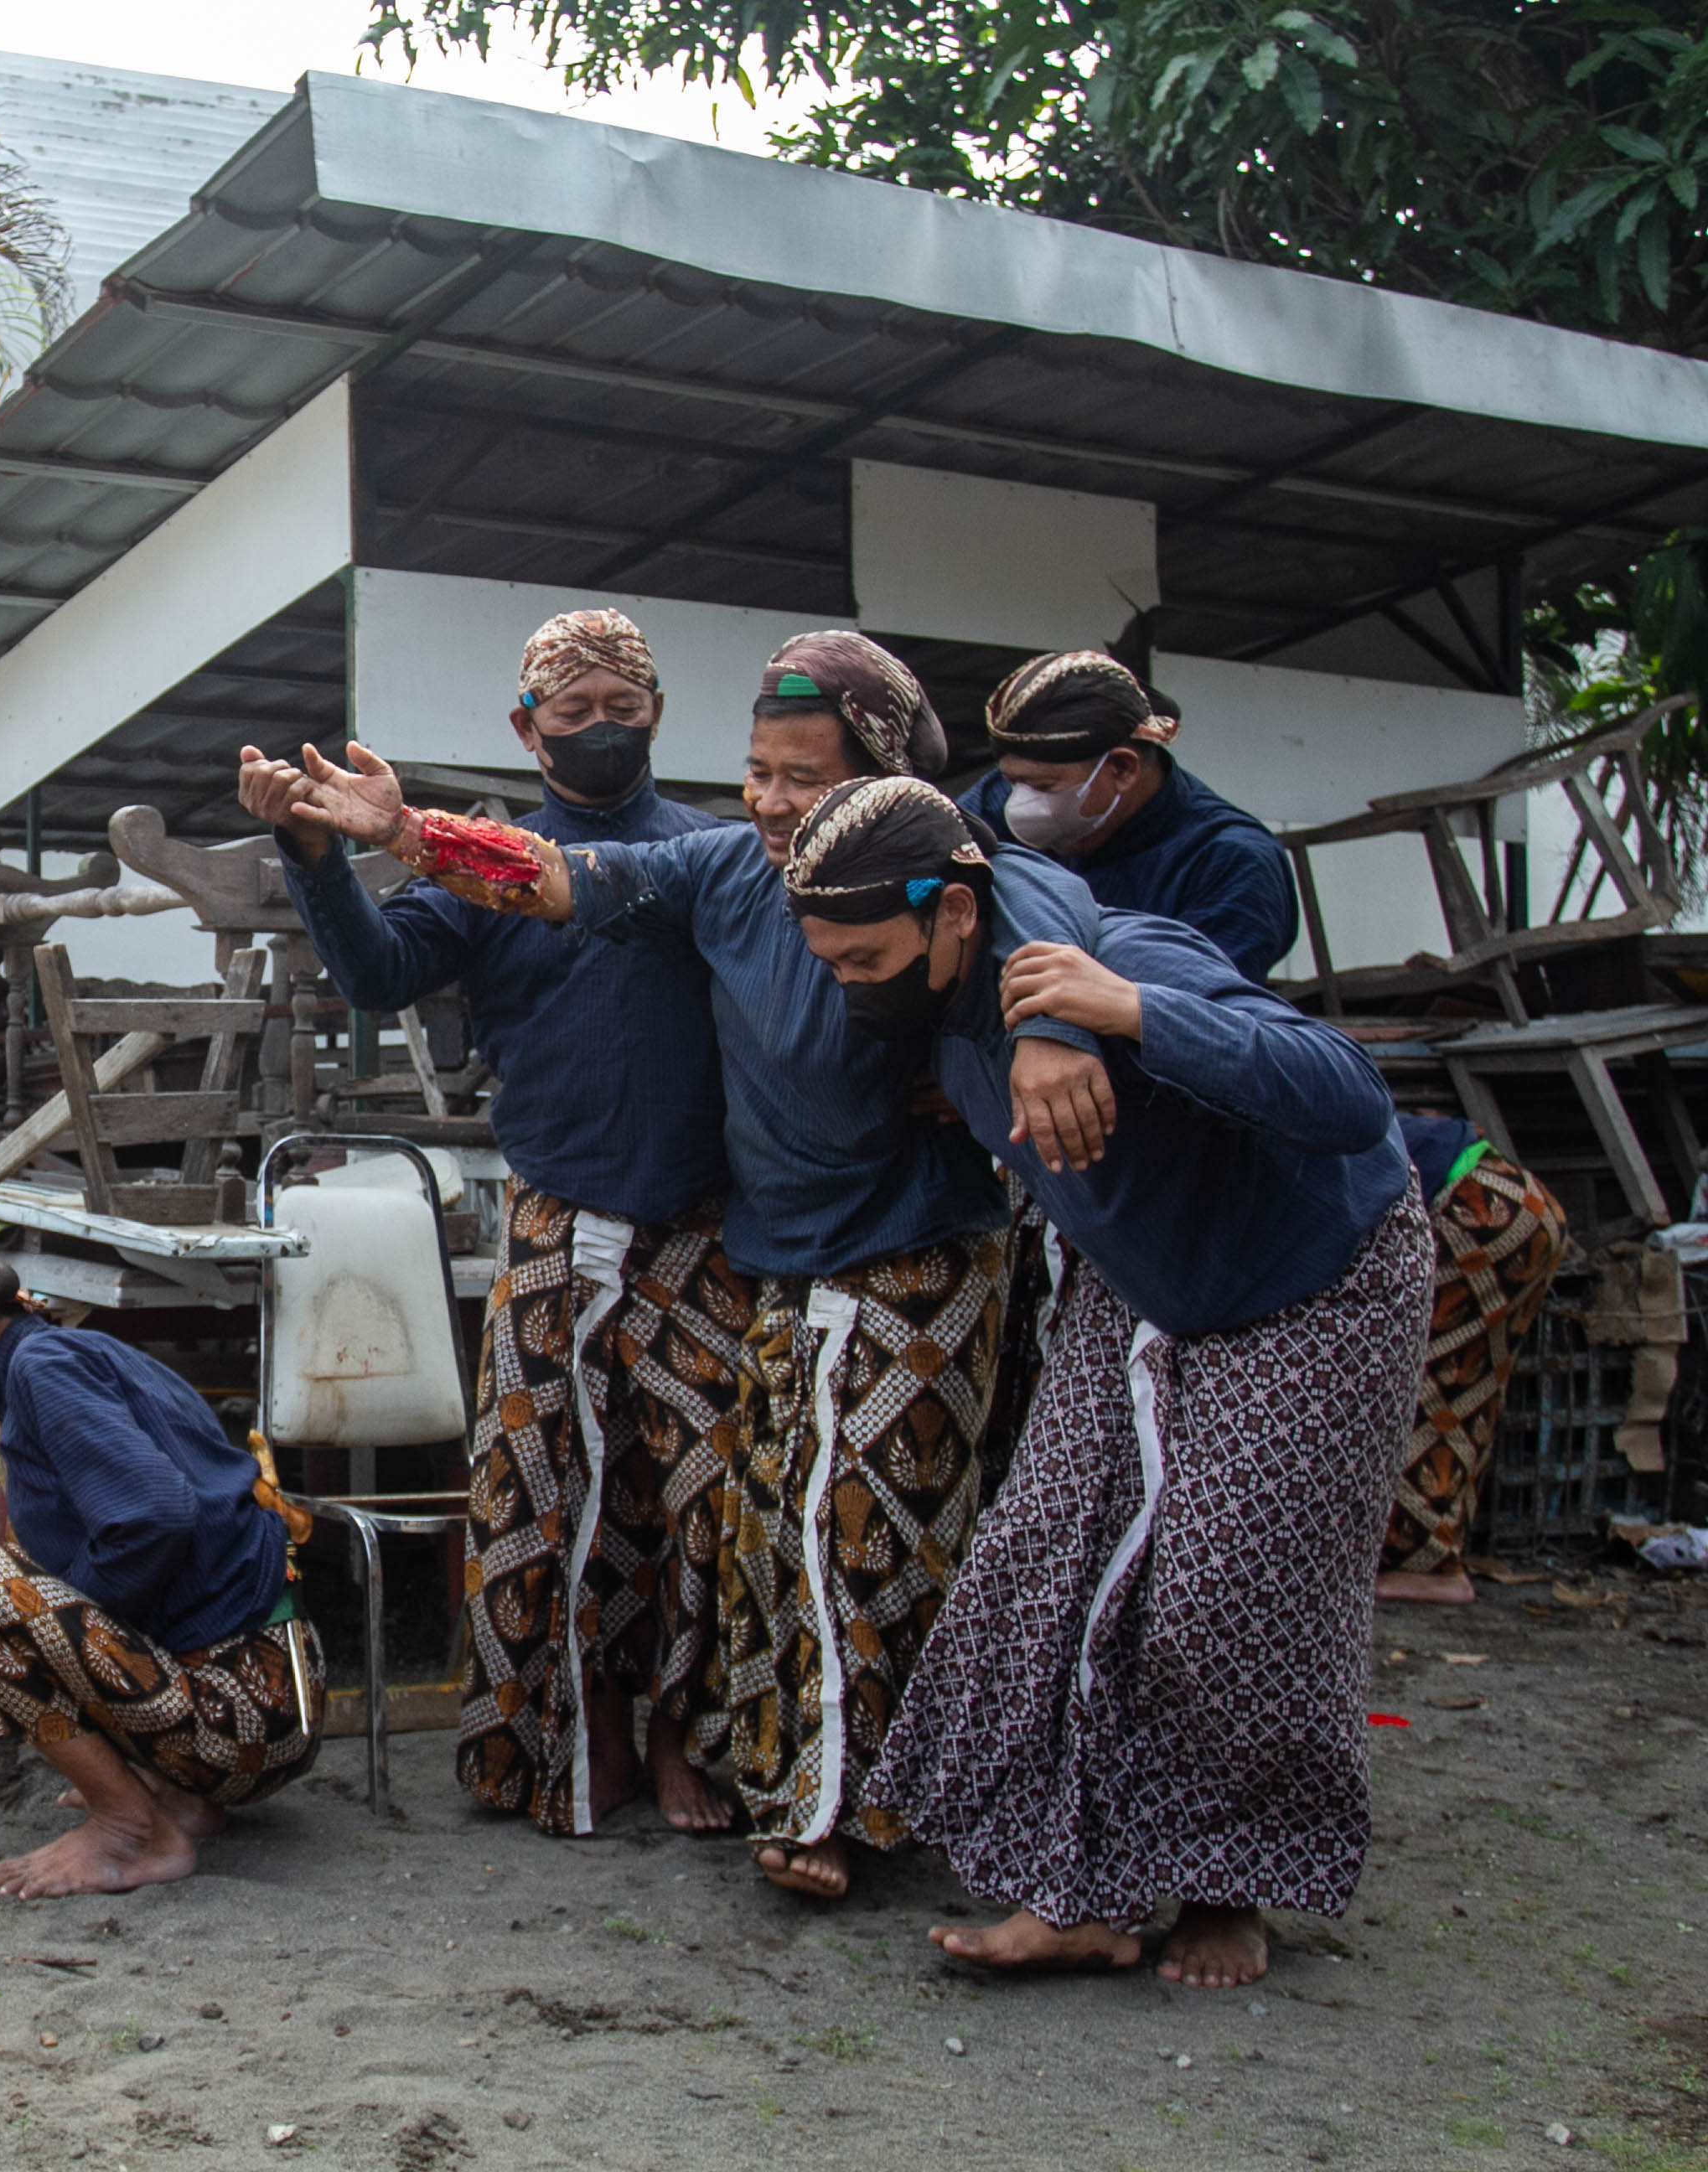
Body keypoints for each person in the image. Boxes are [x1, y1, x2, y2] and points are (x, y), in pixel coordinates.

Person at [261, 630, 1120, 1902]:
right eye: (761, 773)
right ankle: (604, 1753)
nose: (775, 801)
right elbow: (521, 890)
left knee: (769, 1527)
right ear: (528, 723)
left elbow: (1035, 916)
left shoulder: (897, 866)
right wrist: (383, 836)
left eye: (804, 778)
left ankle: (791, 1776)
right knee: (620, 1512)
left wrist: (1037, 1034)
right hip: (651, 1237)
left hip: (797, 1242)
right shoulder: (715, 866)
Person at [769, 775, 1426, 1991]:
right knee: (1041, 1573)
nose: (846, 981)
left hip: (1314, 1277)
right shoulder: (962, 978)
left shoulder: (1127, 958)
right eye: (832, 958)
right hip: (1145, 1278)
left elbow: (1345, 1095)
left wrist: (1125, 1016)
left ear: (954, 916)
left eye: (865, 957)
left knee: (1222, 1594)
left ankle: (1233, 1894)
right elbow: (999, 846)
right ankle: (1081, 1896)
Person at [236, 607, 741, 1840]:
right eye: (576, 715)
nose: (605, 730)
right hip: (556, 1220)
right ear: (527, 730)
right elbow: (377, 974)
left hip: (703, 1226)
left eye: (625, 710)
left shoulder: (710, 857)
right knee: (541, 1497)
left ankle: (686, 1735)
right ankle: (588, 1737)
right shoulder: (483, 863)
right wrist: (311, 857)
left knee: (704, 1499)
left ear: (659, 715)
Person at [0, 1231, 323, 1899]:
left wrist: (48, 1638)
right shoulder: (76, 1353)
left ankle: (130, 1830)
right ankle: (175, 1798)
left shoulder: (40, 1372)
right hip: (275, 1706)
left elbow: (154, 1517)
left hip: (239, 1718)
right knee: (25, 1575)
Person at [960, 655, 1300, 980]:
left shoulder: (1231, 864)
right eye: (1013, 782)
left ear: (1123, 769)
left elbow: (1194, 1014)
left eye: (1043, 786)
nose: (1022, 806)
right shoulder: (996, 803)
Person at [1378, 1110, 1571, 1605]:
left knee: (1416, 1385)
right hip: (1514, 1202)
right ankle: (1424, 1558)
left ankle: (1426, 1569)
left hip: (1479, 1210)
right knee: (1458, 1394)